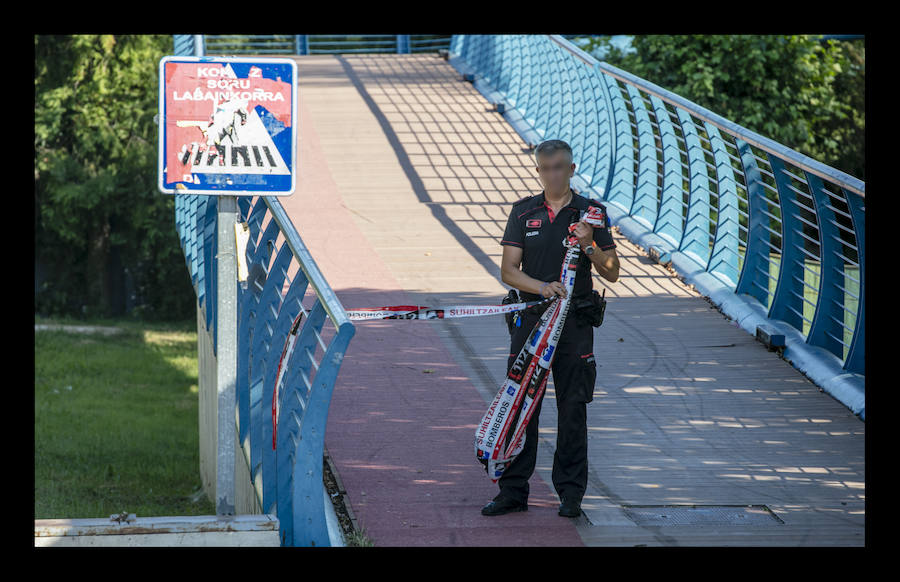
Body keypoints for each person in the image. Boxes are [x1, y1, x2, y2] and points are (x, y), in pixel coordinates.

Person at [481, 139, 620, 518]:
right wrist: (542, 288)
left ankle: (571, 495)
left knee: (572, 407)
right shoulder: (524, 212)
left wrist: (589, 246)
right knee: (522, 403)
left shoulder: (591, 213)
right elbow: (508, 271)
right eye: (546, 168)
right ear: (539, 171)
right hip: (531, 320)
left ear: (571, 169)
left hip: (574, 322)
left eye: (560, 167)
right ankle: (513, 491)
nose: (554, 174)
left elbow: (613, 272)